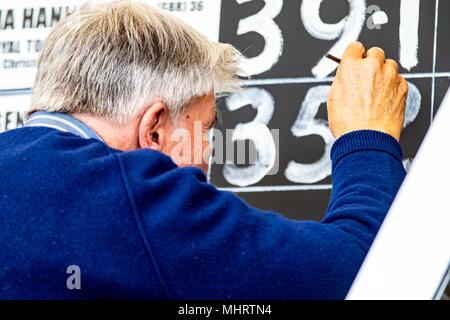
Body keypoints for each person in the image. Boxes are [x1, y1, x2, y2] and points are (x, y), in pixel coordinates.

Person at [0, 1, 408, 299]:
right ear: (154, 132)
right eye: (206, 129)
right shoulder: (134, 197)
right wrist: (367, 135)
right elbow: (367, 273)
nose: (210, 156)